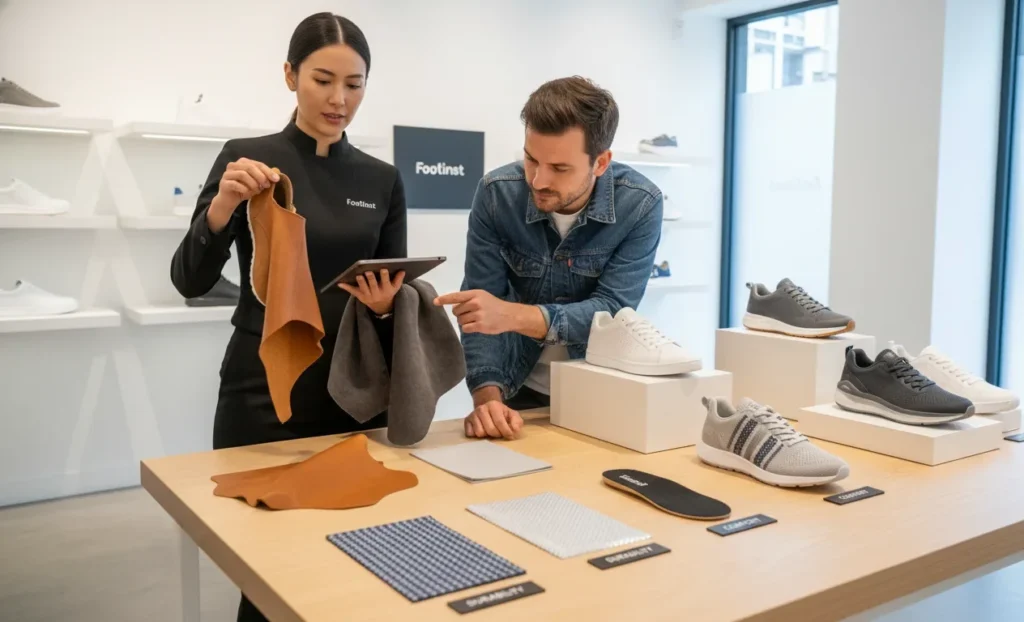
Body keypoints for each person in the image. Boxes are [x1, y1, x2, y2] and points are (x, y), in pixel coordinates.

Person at [169, 13, 406, 622]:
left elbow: (393, 293)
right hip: (261, 392)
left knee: (355, 560)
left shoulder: (381, 179)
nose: (338, 99)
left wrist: (387, 304)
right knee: (266, 568)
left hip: (353, 390)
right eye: (323, 80)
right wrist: (223, 205)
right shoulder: (246, 160)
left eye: (354, 84)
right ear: (290, 75)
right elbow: (189, 280)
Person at [435, 76, 663, 440]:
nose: (538, 180)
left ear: (600, 162)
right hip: (517, 387)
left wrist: (512, 315)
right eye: (531, 159)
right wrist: (487, 400)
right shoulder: (496, 195)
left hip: (600, 386)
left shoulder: (639, 204)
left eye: (559, 168)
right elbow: (480, 309)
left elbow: (612, 311)